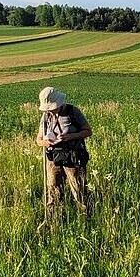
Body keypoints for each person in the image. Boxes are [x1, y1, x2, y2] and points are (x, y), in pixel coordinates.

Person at [35, 86, 92, 214]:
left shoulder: (72, 111)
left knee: (79, 190)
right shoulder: (45, 116)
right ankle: (53, 220)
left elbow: (88, 131)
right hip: (53, 158)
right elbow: (38, 140)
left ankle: (86, 217)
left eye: (53, 107)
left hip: (73, 156)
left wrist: (70, 137)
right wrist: (45, 142)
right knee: (53, 191)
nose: (51, 110)